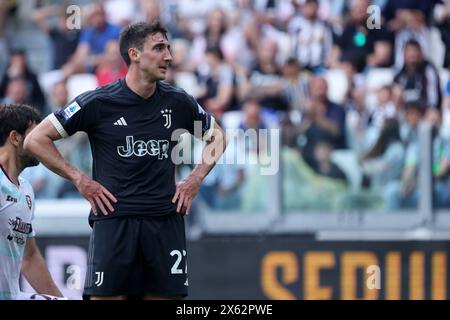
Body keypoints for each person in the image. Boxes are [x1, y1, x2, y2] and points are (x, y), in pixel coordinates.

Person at [24, 21, 227, 300]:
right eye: (159, 48)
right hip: (115, 220)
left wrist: (195, 179)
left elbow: (218, 136)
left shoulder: (178, 101)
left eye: (168, 48)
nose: (168, 56)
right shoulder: (98, 102)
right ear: (134, 54)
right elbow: (35, 139)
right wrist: (80, 179)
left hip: (164, 221)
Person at [0, 104, 64, 300]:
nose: (42, 143)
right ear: (15, 138)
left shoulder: (26, 190)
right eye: (35, 136)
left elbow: (29, 258)